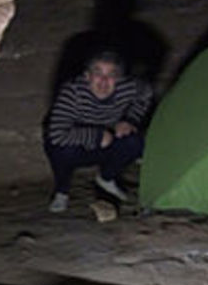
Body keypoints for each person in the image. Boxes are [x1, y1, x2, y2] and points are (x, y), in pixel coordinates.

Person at [43, 50, 152, 213]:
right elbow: (57, 134)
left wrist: (130, 120)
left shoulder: (128, 87)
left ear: (119, 78)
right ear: (87, 76)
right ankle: (62, 190)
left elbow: (145, 93)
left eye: (111, 75)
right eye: (98, 73)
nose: (104, 81)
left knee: (134, 142)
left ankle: (107, 178)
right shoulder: (72, 92)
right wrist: (96, 136)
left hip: (108, 142)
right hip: (76, 145)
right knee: (60, 151)